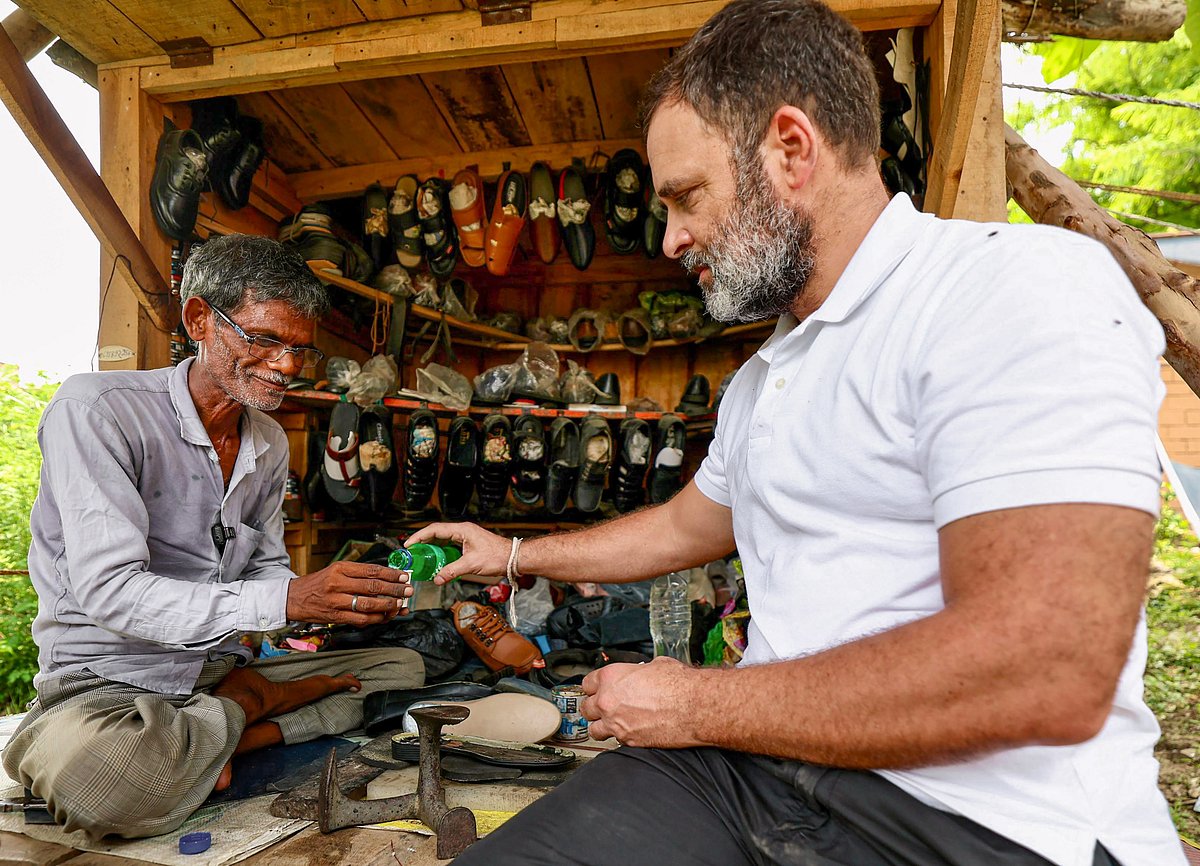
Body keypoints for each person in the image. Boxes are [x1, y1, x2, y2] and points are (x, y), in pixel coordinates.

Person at [406, 2, 1183, 864]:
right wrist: (510, 556)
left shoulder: (1008, 290)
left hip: (985, 821)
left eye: (687, 196)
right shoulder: (765, 378)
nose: (670, 239)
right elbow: (681, 528)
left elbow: (1045, 670)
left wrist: (694, 704)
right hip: (762, 771)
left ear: (791, 149)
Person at [2, 235, 424, 839]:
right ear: (199, 318)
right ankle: (247, 713)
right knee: (102, 779)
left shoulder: (268, 441)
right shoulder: (98, 411)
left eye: (299, 348)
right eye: (264, 339)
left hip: (216, 666)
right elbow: (111, 593)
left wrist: (325, 601)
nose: (286, 365)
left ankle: (218, 738)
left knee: (400, 667)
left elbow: (268, 568)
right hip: (110, 684)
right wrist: (285, 603)